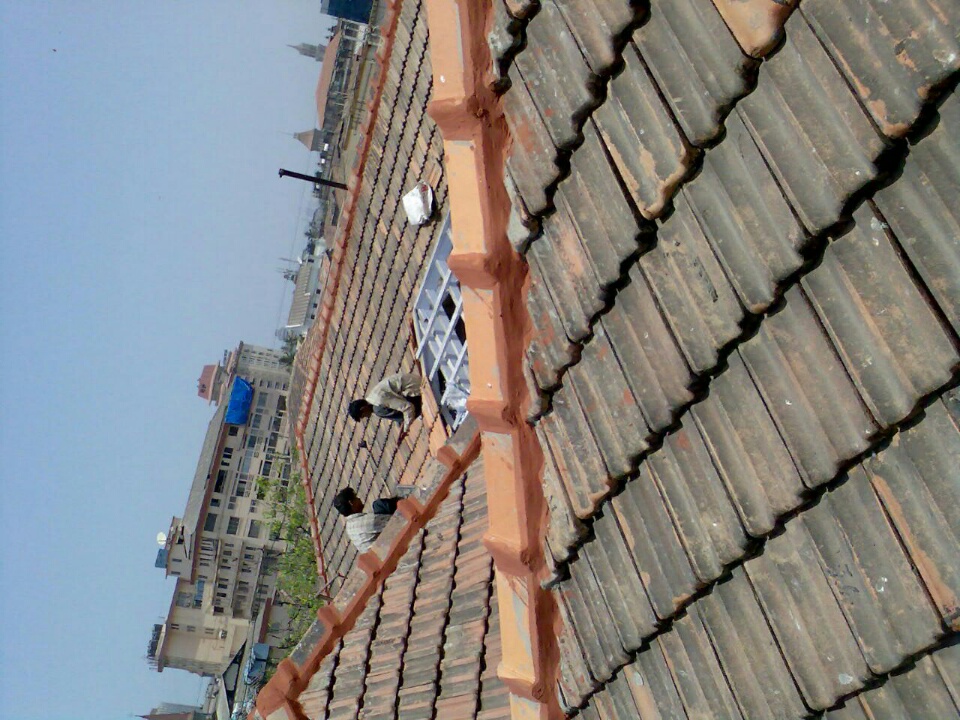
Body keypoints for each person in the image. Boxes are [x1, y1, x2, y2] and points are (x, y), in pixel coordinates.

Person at [348, 372, 422, 438]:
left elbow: (408, 407)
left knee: (407, 417)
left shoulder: (378, 406)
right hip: (415, 385)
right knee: (401, 422)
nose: (367, 417)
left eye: (363, 415)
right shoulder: (373, 396)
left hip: (417, 391)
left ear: (363, 409)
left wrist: (406, 429)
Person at [332, 487, 400, 553]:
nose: (359, 499)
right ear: (351, 503)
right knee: (379, 504)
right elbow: (396, 521)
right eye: (356, 498)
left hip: (377, 554)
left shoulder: (349, 527)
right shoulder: (367, 522)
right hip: (389, 550)